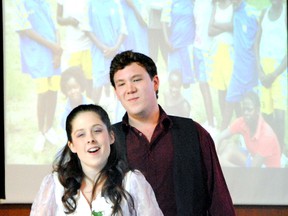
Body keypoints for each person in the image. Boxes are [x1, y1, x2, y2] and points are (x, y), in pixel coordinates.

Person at [109, 50, 236, 215]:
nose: (130, 89)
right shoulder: (108, 140)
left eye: (136, 80)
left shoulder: (193, 133)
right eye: (121, 84)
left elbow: (219, 200)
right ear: (116, 92)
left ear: (155, 82)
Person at [30, 104, 163, 215]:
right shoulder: (56, 184)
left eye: (97, 130)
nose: (90, 139)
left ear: (111, 136)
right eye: (81, 134)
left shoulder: (132, 181)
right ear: (72, 145)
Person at [15, 0, 63, 152]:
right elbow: (26, 29)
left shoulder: (45, 3)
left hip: (53, 54)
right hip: (39, 56)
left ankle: (48, 128)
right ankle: (40, 132)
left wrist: (58, 51)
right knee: (42, 93)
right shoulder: (22, 3)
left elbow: (55, 29)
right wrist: (52, 47)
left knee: (53, 91)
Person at [215, 91, 281, 168]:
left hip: (268, 174)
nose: (246, 113)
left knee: (221, 163)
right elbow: (219, 137)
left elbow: (252, 170)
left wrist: (221, 163)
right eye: (244, 109)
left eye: (249, 110)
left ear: (257, 110)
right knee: (228, 147)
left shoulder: (266, 135)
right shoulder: (242, 122)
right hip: (253, 160)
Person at [255, 0, 287, 154]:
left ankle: (281, 149)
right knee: (267, 114)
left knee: (280, 116)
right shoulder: (264, 14)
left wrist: (274, 74)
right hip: (263, 69)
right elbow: (256, 42)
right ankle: (273, 150)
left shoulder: (285, 14)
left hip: (279, 71)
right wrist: (259, 69)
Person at [56, 0, 93, 99]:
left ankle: (90, 107)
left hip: (89, 44)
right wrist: (68, 20)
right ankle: (75, 108)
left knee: (90, 80)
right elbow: (58, 19)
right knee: (73, 79)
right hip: (73, 45)